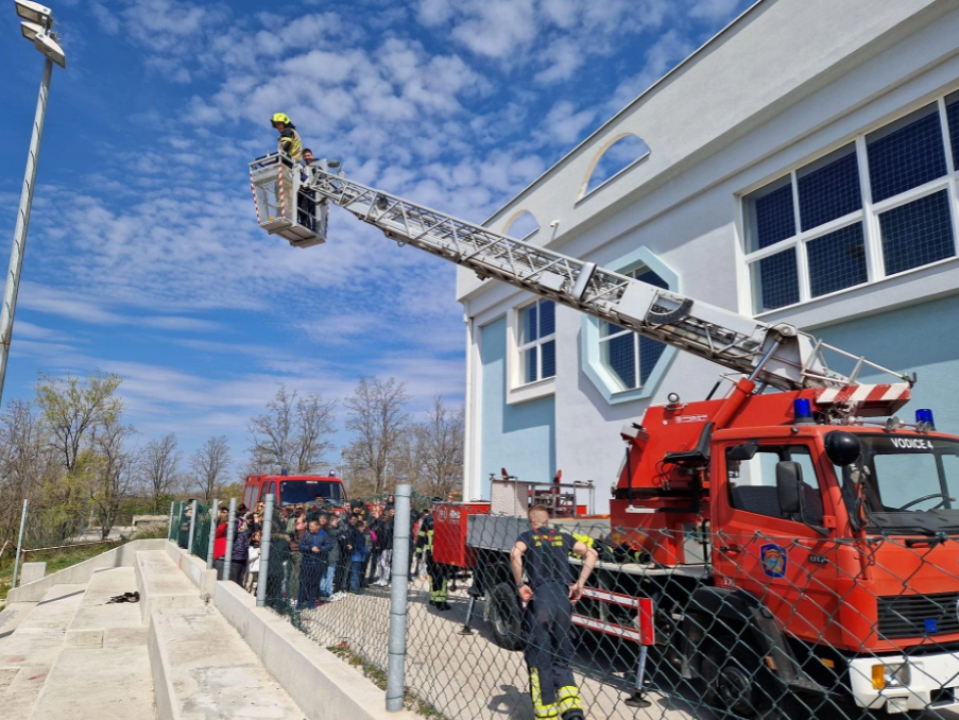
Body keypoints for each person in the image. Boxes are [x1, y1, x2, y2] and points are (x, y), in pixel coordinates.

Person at [511, 506, 597, 720]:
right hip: (562, 601)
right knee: (561, 656)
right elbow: (592, 553)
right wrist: (580, 584)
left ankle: (547, 713)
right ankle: (572, 711)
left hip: (541, 600)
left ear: (532, 521)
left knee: (540, 658)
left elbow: (515, 553)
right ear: (548, 521)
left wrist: (520, 583)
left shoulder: (527, 536)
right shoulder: (564, 536)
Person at [416, 511, 450, 610]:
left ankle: (433, 598)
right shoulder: (444, 517)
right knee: (442, 577)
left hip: (429, 552)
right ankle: (440, 602)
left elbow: (421, 536)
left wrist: (418, 551)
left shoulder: (427, 519)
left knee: (433, 576)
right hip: (441, 553)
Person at [298, 519, 333, 609]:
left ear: (318, 527)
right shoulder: (306, 534)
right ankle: (300, 603)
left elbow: (329, 545)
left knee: (315, 584)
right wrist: (310, 548)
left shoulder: (323, 534)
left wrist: (320, 549)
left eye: (312, 526)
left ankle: (311, 603)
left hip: (318, 563)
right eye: (309, 526)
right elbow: (301, 546)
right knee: (304, 583)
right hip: (306, 563)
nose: (310, 528)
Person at [349, 520, 372, 594]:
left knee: (356, 573)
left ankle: (355, 587)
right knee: (355, 573)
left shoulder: (357, 533)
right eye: (362, 527)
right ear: (360, 527)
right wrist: (366, 550)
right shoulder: (358, 535)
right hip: (357, 556)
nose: (363, 528)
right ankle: (354, 588)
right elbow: (359, 546)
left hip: (358, 556)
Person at [212, 507, 230, 580]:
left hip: (225, 556)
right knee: (221, 578)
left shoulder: (225, 530)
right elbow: (219, 531)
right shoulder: (219, 530)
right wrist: (225, 524)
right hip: (220, 557)